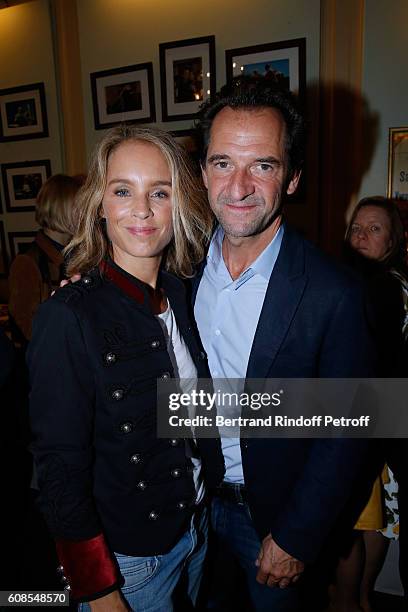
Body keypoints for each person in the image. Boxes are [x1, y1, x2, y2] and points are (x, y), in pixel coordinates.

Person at [192, 79, 374, 611]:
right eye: (223, 162)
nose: (239, 186)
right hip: (189, 506)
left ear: (292, 178)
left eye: (263, 166)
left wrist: (298, 534)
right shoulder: (175, 271)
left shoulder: (337, 292)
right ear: (203, 172)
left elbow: (351, 429)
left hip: (274, 520)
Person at [27, 126, 223, 611]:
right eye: (123, 191)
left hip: (196, 529)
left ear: (180, 204)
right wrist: (99, 589)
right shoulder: (69, 315)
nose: (142, 210)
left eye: (160, 192)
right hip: (131, 562)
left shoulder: (181, 293)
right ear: (99, 204)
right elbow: (57, 470)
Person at [327, 197, 408, 611]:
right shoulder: (375, 281)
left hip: (371, 415)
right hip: (386, 417)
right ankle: (359, 599)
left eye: (374, 229)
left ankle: (347, 601)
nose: (360, 234)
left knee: (352, 519)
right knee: (374, 517)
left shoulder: (380, 286)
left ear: (393, 240)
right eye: (356, 226)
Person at [8, 173, 82, 344]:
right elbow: (28, 328)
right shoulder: (28, 262)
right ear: (61, 208)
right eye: (79, 206)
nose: (85, 213)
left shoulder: (79, 253)